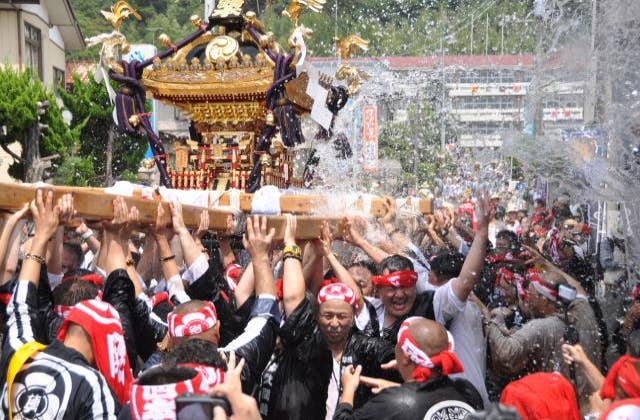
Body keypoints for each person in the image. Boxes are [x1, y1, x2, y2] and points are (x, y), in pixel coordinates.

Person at [0, 190, 132, 419]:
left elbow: (23, 305)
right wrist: (117, 238)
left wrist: (41, 236)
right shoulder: (93, 386)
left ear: (66, 326)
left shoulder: (20, 355)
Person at [259, 216, 395, 420]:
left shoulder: (367, 347)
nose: (334, 323)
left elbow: (412, 368)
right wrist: (295, 249)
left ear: (354, 316)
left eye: (342, 316)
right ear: (317, 315)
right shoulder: (308, 344)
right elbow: (294, 298)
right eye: (327, 315)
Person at [353, 192, 491, 346]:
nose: (399, 294)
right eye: (392, 287)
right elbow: (396, 253)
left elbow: (465, 282)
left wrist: (482, 233)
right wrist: (363, 239)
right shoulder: (370, 308)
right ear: (378, 290)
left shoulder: (433, 304)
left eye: (405, 286)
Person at [334, 317, 483, 419]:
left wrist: (348, 389)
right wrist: (400, 387)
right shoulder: (467, 391)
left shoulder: (393, 403)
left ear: (405, 356)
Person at [428, 252, 489, 406]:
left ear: (434, 278)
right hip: (475, 391)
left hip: (460, 395)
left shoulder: (448, 304)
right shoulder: (474, 304)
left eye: (429, 275)